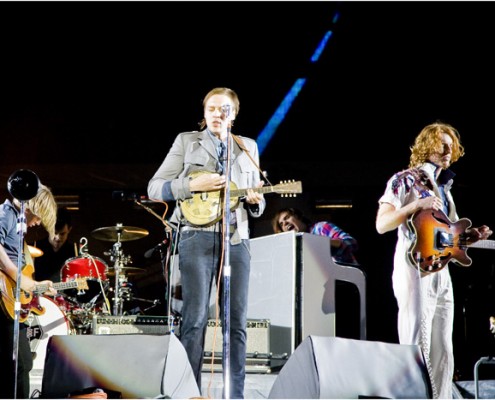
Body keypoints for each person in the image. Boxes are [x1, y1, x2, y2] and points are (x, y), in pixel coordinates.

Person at [147, 87, 266, 399]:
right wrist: (190, 184)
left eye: (224, 109)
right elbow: (155, 188)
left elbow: (257, 198)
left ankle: (234, 394)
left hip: (236, 239)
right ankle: (189, 392)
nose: (217, 114)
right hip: (196, 237)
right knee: (196, 319)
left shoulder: (247, 146)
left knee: (236, 323)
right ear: (204, 113)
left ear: (234, 115)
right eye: (211, 108)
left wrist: (255, 203)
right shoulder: (187, 141)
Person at [375, 122, 492, 399]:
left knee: (443, 349)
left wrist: (470, 237)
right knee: (417, 344)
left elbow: (442, 241)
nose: (448, 149)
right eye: (442, 143)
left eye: (451, 145)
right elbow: (382, 224)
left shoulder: (444, 189)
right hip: (414, 268)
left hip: (440, 272)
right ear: (426, 145)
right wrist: (416, 204)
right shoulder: (404, 179)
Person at [0, 182, 58, 399]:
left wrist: (35, 285)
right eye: (40, 216)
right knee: (18, 366)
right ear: (34, 205)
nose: (39, 223)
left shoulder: (17, 222)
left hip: (11, 302)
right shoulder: (5, 214)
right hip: (3, 300)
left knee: (18, 365)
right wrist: (16, 275)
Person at [272, 207, 359, 266]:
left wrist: (324, 243)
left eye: (287, 217)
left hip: (345, 281)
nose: (285, 223)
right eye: (281, 224)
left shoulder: (321, 228)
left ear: (297, 216)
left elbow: (352, 243)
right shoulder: (292, 248)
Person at [34, 207, 77, 283]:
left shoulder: (75, 252)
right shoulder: (34, 247)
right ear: (48, 228)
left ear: (69, 230)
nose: (57, 238)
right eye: (54, 233)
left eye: (62, 234)